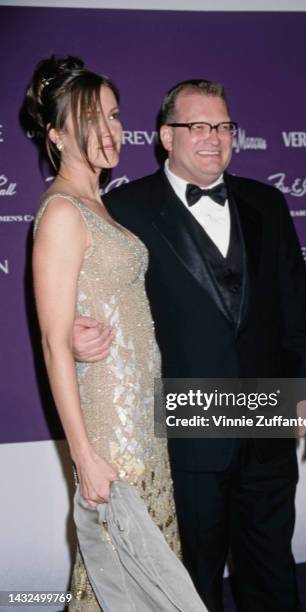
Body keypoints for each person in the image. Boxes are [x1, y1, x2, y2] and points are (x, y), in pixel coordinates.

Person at [73, 79, 306, 612]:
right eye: (199, 126)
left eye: (224, 126)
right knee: (193, 580)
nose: (214, 138)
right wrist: (77, 328)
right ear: (166, 135)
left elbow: (296, 308)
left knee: (272, 568)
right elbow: (93, 290)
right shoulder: (125, 209)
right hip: (184, 434)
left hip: (266, 425)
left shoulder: (267, 203)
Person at [27, 58, 207, 612]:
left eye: (113, 114)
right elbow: (55, 342)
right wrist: (83, 454)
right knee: (113, 578)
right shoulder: (61, 212)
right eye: (89, 119)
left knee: (143, 576)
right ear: (56, 134)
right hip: (111, 431)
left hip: (141, 422)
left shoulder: (98, 204)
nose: (109, 131)